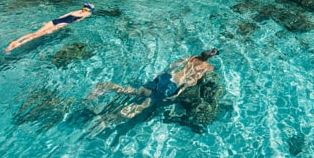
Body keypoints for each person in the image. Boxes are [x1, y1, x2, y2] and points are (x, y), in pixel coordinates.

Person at [88, 48, 220, 119]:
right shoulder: (206, 67)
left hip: (166, 77)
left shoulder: (191, 57)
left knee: (137, 92)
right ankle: (113, 117)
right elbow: (192, 81)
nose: (209, 51)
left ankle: (108, 86)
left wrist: (160, 74)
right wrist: (178, 93)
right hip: (171, 85)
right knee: (145, 103)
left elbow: (173, 65)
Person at [5, 1, 95, 52]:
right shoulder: (87, 14)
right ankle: (17, 45)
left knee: (35, 33)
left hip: (54, 21)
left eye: (85, 5)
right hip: (60, 24)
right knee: (37, 35)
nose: (84, 6)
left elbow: (62, 16)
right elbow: (76, 20)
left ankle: (17, 41)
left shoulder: (77, 10)